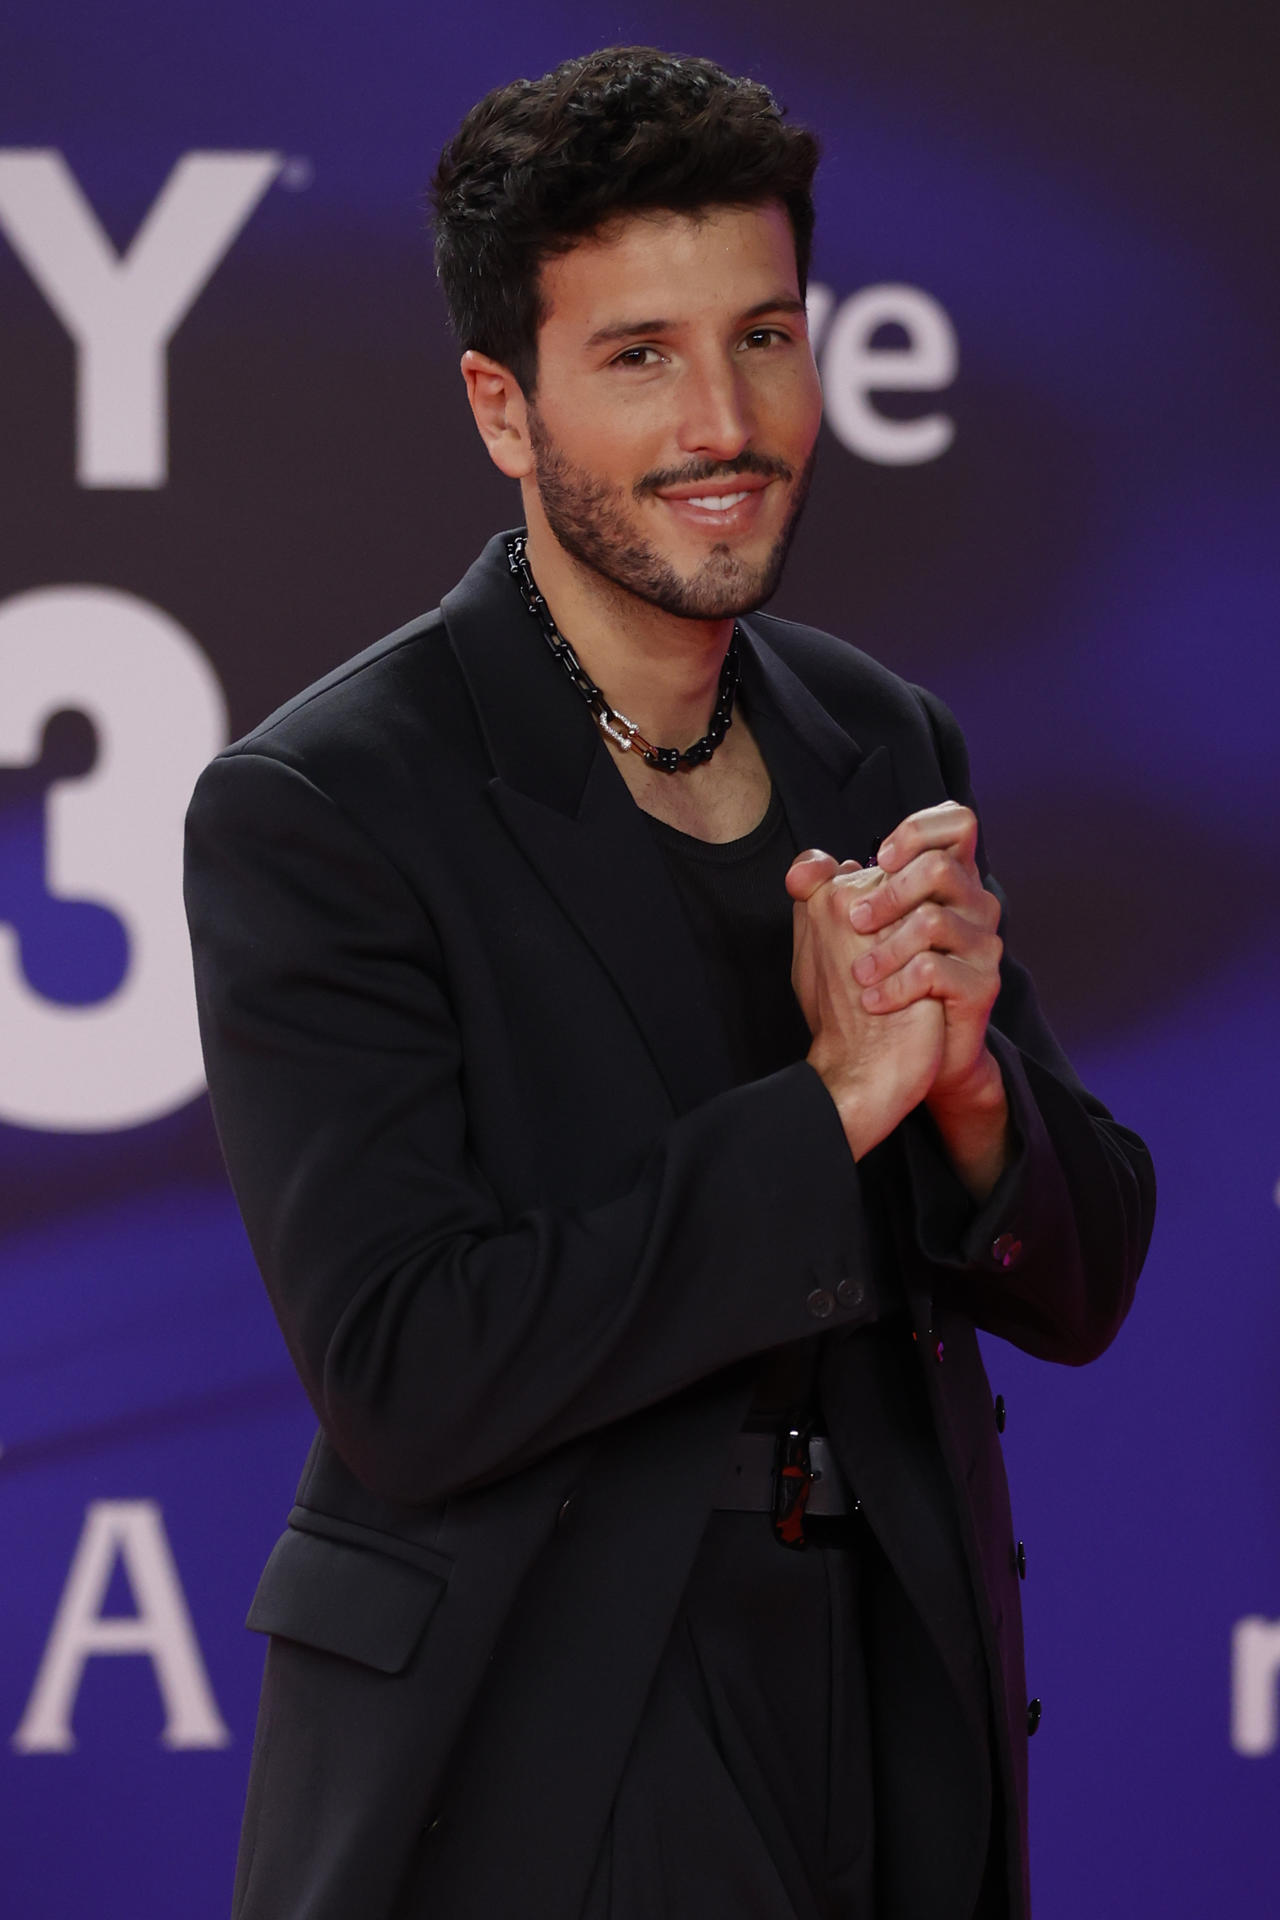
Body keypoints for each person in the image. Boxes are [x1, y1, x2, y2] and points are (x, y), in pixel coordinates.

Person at [184, 45, 1154, 1920]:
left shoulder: (880, 733)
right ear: (501, 403)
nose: (728, 417)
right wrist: (835, 1109)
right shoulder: (328, 806)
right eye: (638, 355)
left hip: (889, 1703)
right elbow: (410, 1372)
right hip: (532, 1735)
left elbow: (1085, 1267)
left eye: (767, 337)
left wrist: (966, 1101)